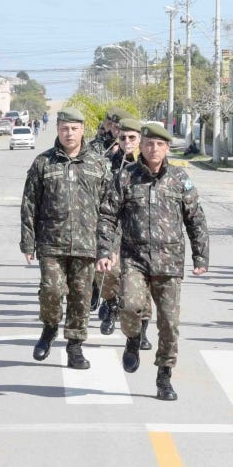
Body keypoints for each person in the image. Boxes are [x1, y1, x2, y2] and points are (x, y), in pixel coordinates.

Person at [97, 123, 209, 402]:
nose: (153, 149)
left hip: (169, 263)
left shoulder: (180, 179)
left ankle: (164, 377)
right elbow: (108, 215)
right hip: (134, 258)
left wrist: (200, 256)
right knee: (132, 306)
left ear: (167, 148)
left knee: (169, 323)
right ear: (142, 146)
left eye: (159, 145)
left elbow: (195, 219)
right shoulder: (126, 178)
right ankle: (133, 339)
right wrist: (103, 250)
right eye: (148, 144)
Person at [20, 107, 111, 369]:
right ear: (57, 130)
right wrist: (28, 241)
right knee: (51, 291)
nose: (68, 133)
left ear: (83, 130)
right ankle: (49, 329)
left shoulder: (98, 164)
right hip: (51, 242)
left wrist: (106, 248)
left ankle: (75, 346)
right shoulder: (43, 162)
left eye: (73, 128)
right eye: (63, 128)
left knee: (81, 297)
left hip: (87, 244)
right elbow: (29, 204)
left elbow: (109, 209)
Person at [96, 117, 151, 348]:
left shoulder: (150, 163)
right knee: (108, 272)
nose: (128, 142)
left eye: (133, 138)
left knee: (144, 286)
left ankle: (142, 330)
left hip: (140, 231)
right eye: (123, 137)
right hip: (112, 225)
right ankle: (109, 303)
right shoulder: (105, 162)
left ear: (140, 139)